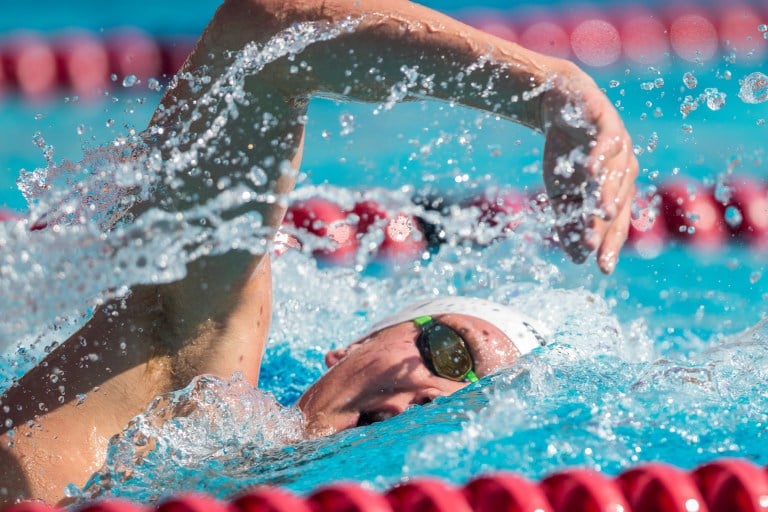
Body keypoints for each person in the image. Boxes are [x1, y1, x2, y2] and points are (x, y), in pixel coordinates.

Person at [0, 0, 638, 505]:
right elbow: (263, 38)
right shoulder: (181, 378)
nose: (440, 399)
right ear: (354, 344)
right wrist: (554, 89)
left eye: (475, 404)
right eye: (452, 353)